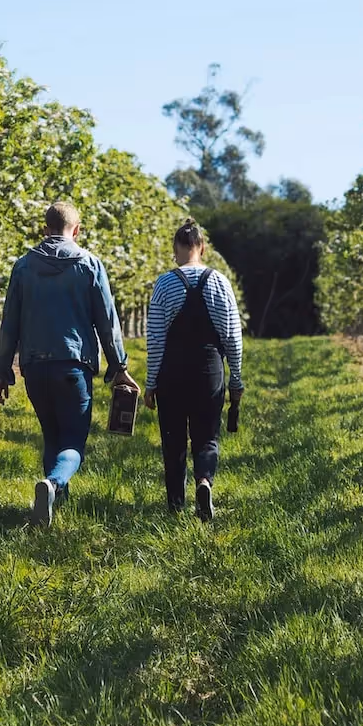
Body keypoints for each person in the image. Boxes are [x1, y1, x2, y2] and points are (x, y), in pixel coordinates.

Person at [0, 200, 139, 526]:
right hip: (73, 365)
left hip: (34, 366)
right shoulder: (90, 265)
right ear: (77, 230)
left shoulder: (23, 267)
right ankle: (53, 484)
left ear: (44, 229)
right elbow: (107, 321)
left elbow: (9, 323)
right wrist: (120, 368)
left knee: (51, 436)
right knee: (72, 442)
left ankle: (53, 507)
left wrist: (2, 370)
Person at [143, 218, 244, 522]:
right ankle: (204, 482)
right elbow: (232, 336)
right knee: (206, 436)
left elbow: (156, 339)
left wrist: (150, 383)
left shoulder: (164, 283)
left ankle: (175, 505)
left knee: (173, 440)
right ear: (202, 247)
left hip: (172, 372)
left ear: (177, 249)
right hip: (208, 370)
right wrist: (236, 379)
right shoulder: (219, 282)